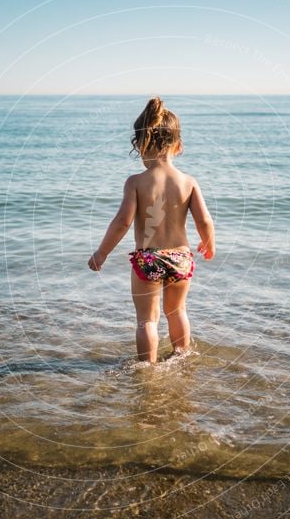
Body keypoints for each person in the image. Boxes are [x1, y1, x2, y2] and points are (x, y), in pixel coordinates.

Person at [88, 96, 215, 362]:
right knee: (177, 312)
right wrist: (208, 241)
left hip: (148, 258)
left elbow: (122, 222)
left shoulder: (136, 182)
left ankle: (147, 367)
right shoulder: (188, 182)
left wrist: (102, 253)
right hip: (181, 258)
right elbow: (204, 220)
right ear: (178, 146)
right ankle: (181, 356)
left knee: (147, 320)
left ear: (141, 144)